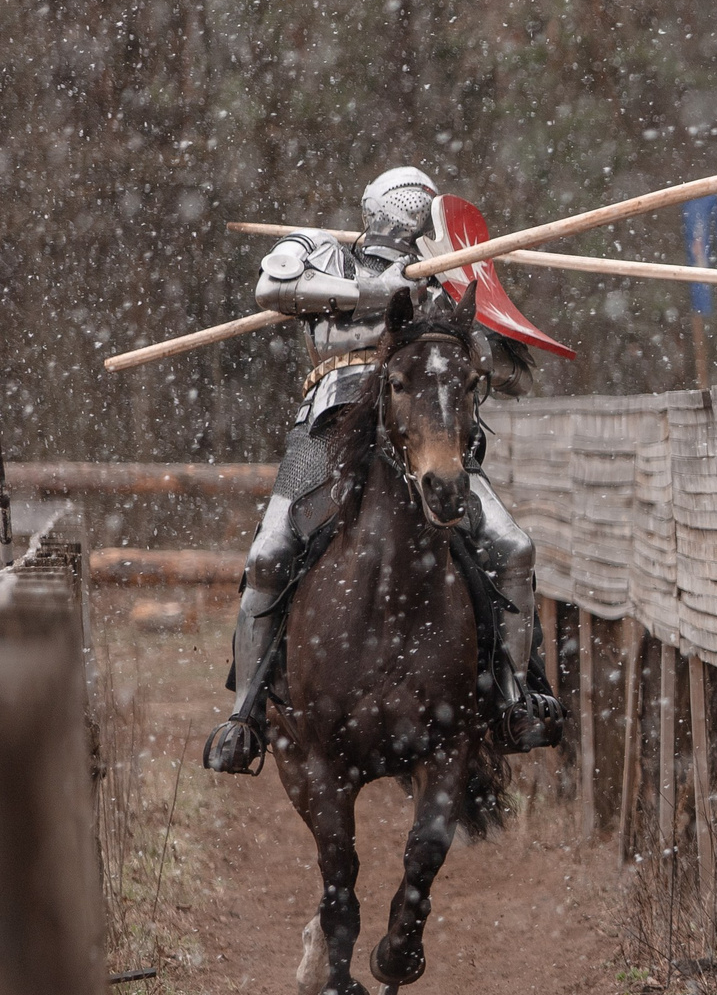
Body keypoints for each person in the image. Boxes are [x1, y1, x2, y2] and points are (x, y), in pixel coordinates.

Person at [203, 166, 560, 773]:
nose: (407, 216)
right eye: (399, 206)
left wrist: (468, 300)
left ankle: (512, 698)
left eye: (418, 210)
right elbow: (271, 288)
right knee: (268, 554)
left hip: (426, 433)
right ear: (371, 210)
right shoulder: (323, 252)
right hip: (326, 428)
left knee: (512, 546)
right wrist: (380, 291)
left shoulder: (446, 273)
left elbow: (513, 377)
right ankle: (246, 716)